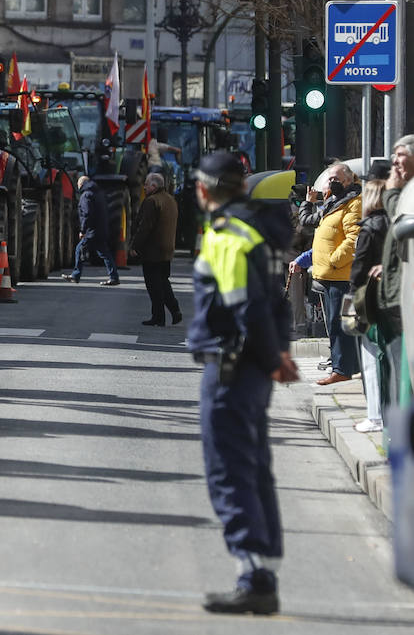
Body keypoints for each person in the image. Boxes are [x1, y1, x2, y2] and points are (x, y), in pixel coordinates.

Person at [187, 151, 299, 615]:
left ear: (203, 189)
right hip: (254, 368)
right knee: (255, 467)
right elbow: (275, 303)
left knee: (229, 470)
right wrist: (279, 355)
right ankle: (264, 569)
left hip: (231, 364)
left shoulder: (228, 234)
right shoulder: (263, 232)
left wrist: (273, 355)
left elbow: (244, 306)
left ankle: (252, 574)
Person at [307, 161, 362, 385]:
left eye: (336, 179)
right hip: (329, 274)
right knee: (336, 323)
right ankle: (345, 366)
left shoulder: (353, 202)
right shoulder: (334, 201)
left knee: (339, 323)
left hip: (339, 274)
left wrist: (334, 261)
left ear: (349, 181)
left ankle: (342, 369)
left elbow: (353, 237)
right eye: (330, 179)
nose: (332, 182)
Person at [371, 135, 414, 411]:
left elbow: (402, 222)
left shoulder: (405, 196)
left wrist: (391, 191)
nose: (395, 163)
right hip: (396, 296)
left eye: (401, 155)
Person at [349, 168, 390, 433]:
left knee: (370, 357)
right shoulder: (392, 221)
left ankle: (375, 415)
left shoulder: (371, 227)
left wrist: (352, 298)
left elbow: (358, 268)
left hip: (369, 299)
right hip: (388, 297)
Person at [131, 171, 181, 325]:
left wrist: (135, 246)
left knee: (154, 286)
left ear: (153, 186)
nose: (144, 187)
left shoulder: (151, 201)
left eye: (146, 184)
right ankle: (175, 310)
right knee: (163, 282)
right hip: (167, 249)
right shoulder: (171, 200)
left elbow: (145, 227)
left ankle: (159, 317)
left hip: (153, 250)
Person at [63, 173, 120, 286]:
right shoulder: (98, 193)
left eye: (78, 185)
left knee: (79, 249)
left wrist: (83, 230)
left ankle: (76, 275)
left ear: (81, 184)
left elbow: (87, 214)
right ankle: (114, 277)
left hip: (92, 231)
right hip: (101, 229)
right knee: (105, 253)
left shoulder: (86, 195)